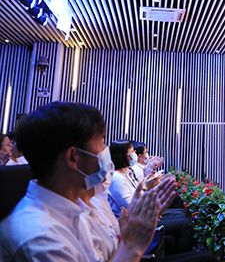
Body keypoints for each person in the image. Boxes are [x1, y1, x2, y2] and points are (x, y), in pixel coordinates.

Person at [0, 102, 160, 261]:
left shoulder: (76, 207)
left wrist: (124, 233)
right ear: (73, 157)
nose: (106, 154)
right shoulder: (39, 238)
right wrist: (132, 246)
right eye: (101, 143)